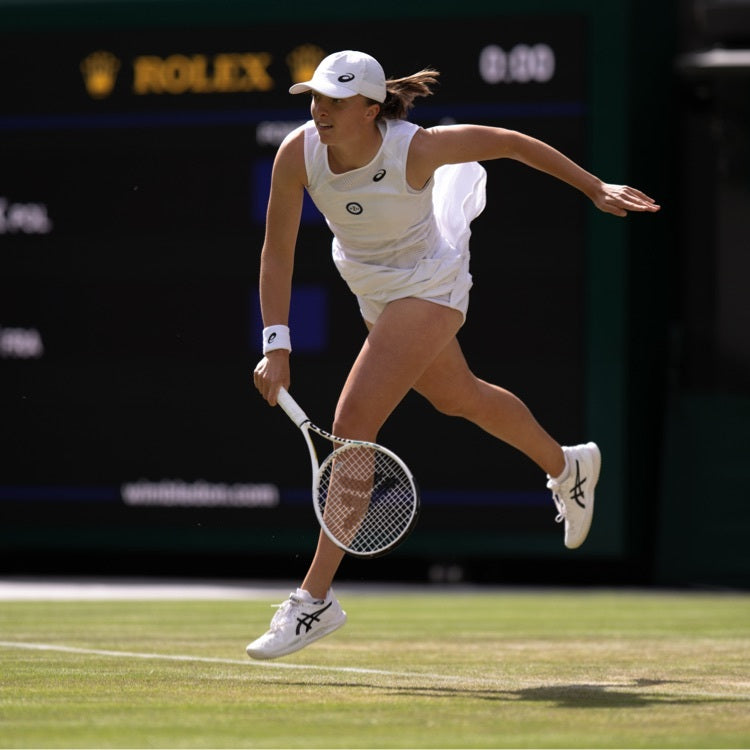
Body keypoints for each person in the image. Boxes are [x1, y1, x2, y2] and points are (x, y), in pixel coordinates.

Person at [246, 50, 660, 660]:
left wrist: (595, 187)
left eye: (334, 101)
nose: (319, 110)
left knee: (353, 423)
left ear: (369, 108)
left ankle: (314, 600)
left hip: (429, 282)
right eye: (315, 98)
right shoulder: (297, 153)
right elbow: (276, 251)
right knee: (456, 396)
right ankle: (566, 465)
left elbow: (510, 142)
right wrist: (275, 343)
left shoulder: (416, 148)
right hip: (372, 288)